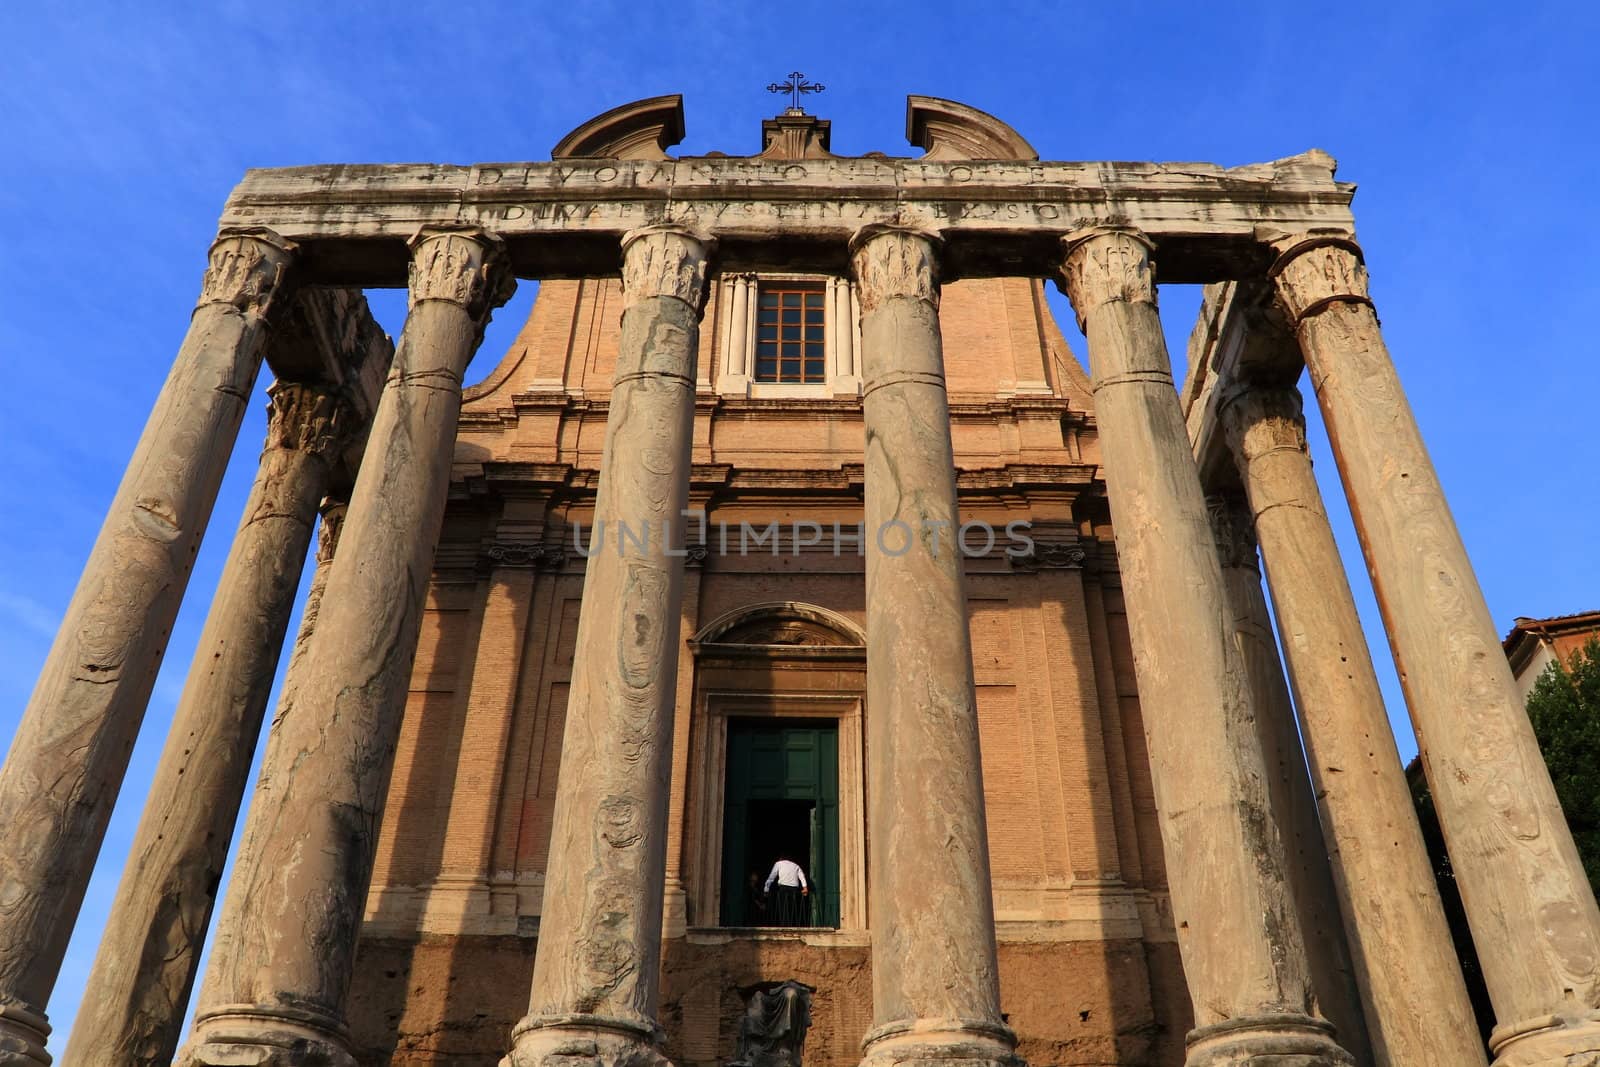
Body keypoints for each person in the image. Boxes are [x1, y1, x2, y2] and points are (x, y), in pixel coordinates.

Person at [763, 853, 809, 927]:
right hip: (794, 889)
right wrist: (805, 888)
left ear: (781, 859)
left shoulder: (778, 863)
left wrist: (766, 889)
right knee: (792, 908)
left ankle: (784, 925)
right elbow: (802, 876)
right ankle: (791, 925)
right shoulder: (795, 865)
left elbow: (772, 876)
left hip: (783, 888)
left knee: (783, 908)